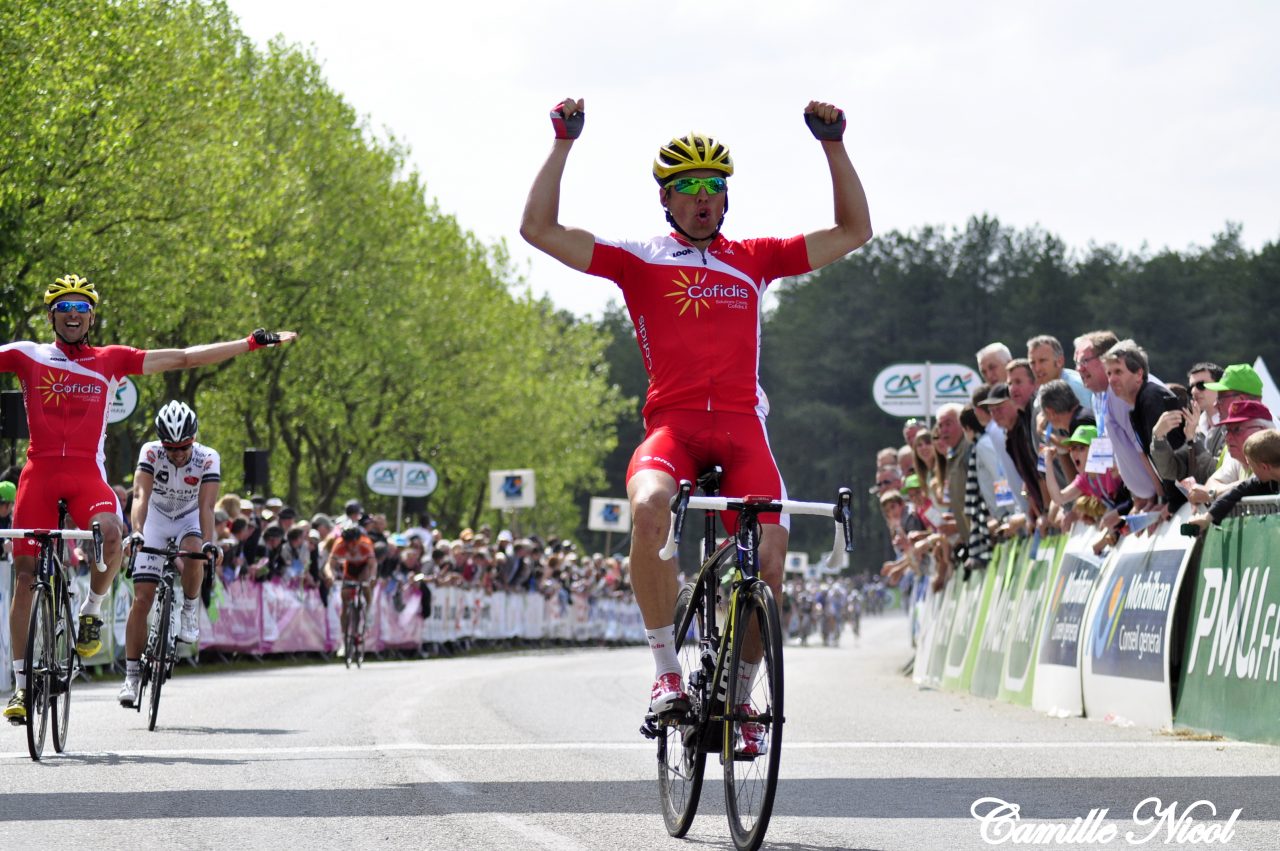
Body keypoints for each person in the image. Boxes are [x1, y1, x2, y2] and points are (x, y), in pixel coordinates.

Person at [521, 96, 871, 735]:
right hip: (674, 429)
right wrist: (562, 143)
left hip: (743, 429)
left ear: (726, 196)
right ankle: (665, 671)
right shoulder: (639, 258)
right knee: (650, 504)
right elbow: (539, 230)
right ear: (666, 200)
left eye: (713, 186)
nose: (702, 198)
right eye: (687, 189)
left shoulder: (755, 257)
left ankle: (739, 699)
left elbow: (853, 233)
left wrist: (834, 146)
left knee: (769, 556)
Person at [4, 274, 295, 722]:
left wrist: (247, 345)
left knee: (113, 533)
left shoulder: (110, 359)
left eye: (81, 309)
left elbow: (181, 358)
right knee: (24, 579)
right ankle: (22, 688)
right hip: (37, 474)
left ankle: (91, 609)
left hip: (86, 474)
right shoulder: (29, 355)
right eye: (65, 308)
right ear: (51, 316)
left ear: (92, 317)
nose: (73, 315)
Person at [117, 401, 222, 707]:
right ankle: (132, 676)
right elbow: (140, 495)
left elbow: (207, 507)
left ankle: (190, 608)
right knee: (142, 599)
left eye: (183, 447)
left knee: (193, 552)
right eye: (171, 448)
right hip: (156, 519)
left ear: (194, 439)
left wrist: (208, 542)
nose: (177, 454)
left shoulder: (207, 457)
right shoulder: (150, 452)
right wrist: (136, 532)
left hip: (190, 517)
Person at [1185, 429, 1280, 534]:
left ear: (1264, 467)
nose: (1251, 470)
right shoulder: (1265, 480)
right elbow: (1236, 492)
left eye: (1251, 465)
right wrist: (1207, 518)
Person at [329, 524, 376, 648]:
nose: (350, 545)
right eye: (347, 542)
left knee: (365, 582)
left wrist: (372, 577)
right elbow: (330, 564)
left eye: (354, 542)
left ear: (358, 540)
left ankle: (369, 610)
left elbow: (372, 564)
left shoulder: (365, 544)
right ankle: (344, 639)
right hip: (349, 569)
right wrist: (331, 576)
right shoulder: (339, 544)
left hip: (364, 567)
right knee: (345, 599)